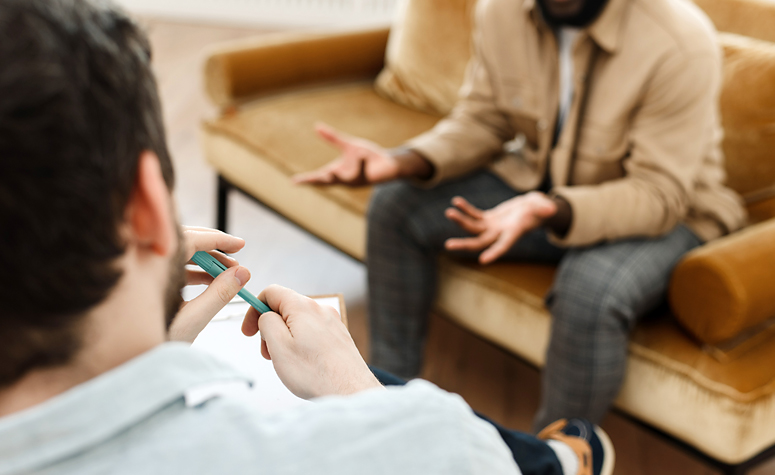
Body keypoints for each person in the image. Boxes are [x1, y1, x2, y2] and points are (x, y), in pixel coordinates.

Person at [0, 1, 614, 474]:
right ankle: (559, 461)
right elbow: (484, 117)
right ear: (147, 207)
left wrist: (150, 345)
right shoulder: (429, 444)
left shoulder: (673, 44)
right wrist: (360, 394)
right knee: (393, 382)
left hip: (598, 202)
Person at [295, 0, 746, 431]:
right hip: (542, 189)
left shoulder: (680, 43)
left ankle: (561, 457)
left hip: (671, 213)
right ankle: (383, 404)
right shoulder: (501, 11)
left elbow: (659, 194)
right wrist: (403, 161)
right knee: (396, 203)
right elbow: (484, 120)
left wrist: (545, 207)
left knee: (589, 290)